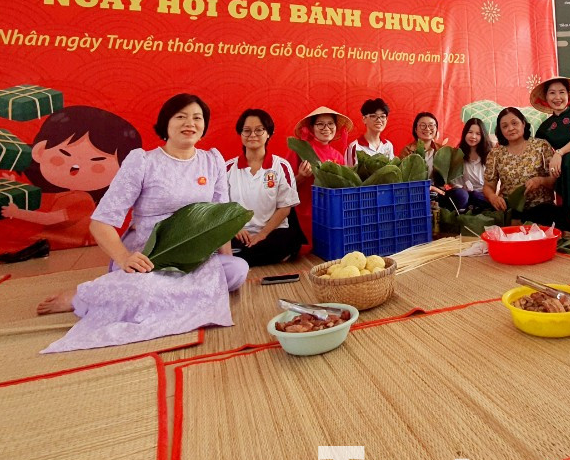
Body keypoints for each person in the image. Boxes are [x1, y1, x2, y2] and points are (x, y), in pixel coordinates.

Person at [36, 93, 249, 352]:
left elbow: (220, 219)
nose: (189, 123)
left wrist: (220, 260)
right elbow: (100, 223)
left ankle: (153, 290)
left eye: (197, 118)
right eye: (180, 117)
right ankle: (83, 297)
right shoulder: (143, 162)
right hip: (148, 256)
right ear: (165, 124)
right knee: (145, 289)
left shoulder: (212, 160)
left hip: (193, 256)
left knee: (236, 270)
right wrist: (125, 258)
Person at [2, 106, 143, 251]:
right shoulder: (65, 194)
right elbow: (42, 202)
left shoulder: (82, 200)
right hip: (52, 244)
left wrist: (17, 213)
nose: (75, 168)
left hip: (69, 246)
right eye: (64, 154)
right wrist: (15, 187)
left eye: (97, 162)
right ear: (39, 151)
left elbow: (49, 219)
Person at [226, 108, 304, 266]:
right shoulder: (227, 168)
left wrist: (262, 234)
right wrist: (235, 229)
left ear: (268, 133)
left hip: (272, 232)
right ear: (240, 134)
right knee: (215, 239)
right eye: (246, 131)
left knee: (287, 241)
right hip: (238, 233)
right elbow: (221, 207)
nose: (252, 135)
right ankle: (244, 257)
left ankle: (237, 259)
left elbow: (285, 208)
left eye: (259, 130)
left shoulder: (281, 166)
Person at [482, 107, 558, 226]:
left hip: (541, 209)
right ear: (500, 130)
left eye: (514, 123)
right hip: (510, 210)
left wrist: (540, 181)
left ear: (523, 123)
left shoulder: (541, 146)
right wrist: (493, 197)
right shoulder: (495, 154)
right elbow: (488, 186)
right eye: (505, 126)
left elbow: (555, 180)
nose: (510, 128)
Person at [530, 77, 570, 210]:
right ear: (546, 97)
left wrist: (559, 153)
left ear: (568, 95)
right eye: (552, 93)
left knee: (569, 158)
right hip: (562, 171)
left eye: (562, 92)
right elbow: (534, 148)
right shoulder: (544, 127)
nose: (557, 97)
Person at [441, 117, 491, 212]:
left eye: (478, 134)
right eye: (470, 132)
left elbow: (494, 181)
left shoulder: (489, 155)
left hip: (483, 194)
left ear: (483, 136)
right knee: (461, 195)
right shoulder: (458, 154)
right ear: (465, 133)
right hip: (464, 193)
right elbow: (454, 181)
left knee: (478, 196)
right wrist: (463, 188)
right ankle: (461, 218)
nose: (473, 136)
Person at [292, 106, 352, 178]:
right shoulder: (300, 150)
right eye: (320, 124)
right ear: (311, 128)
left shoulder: (338, 156)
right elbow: (282, 186)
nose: (326, 128)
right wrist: (300, 176)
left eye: (330, 124)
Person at [345, 97, 393, 164]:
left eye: (382, 116)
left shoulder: (388, 145)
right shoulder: (354, 147)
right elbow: (349, 173)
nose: (379, 120)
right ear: (364, 119)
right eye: (373, 116)